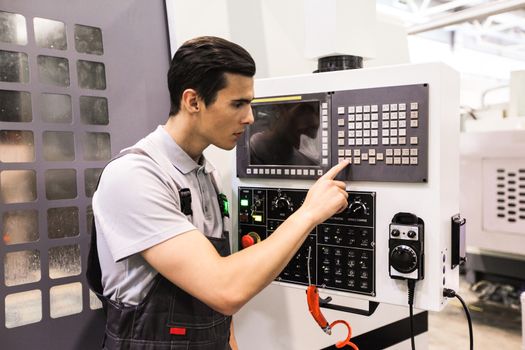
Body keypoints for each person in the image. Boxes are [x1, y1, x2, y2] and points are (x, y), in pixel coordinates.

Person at [89, 36, 349, 350]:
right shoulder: (135, 176)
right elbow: (224, 289)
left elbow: (218, 305)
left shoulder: (207, 175)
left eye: (250, 103)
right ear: (193, 101)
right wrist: (309, 213)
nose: (250, 117)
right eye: (238, 103)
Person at [250, 102, 320, 166]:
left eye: (318, 113)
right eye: (304, 110)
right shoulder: (252, 149)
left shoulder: (307, 162)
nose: (316, 122)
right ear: (278, 111)